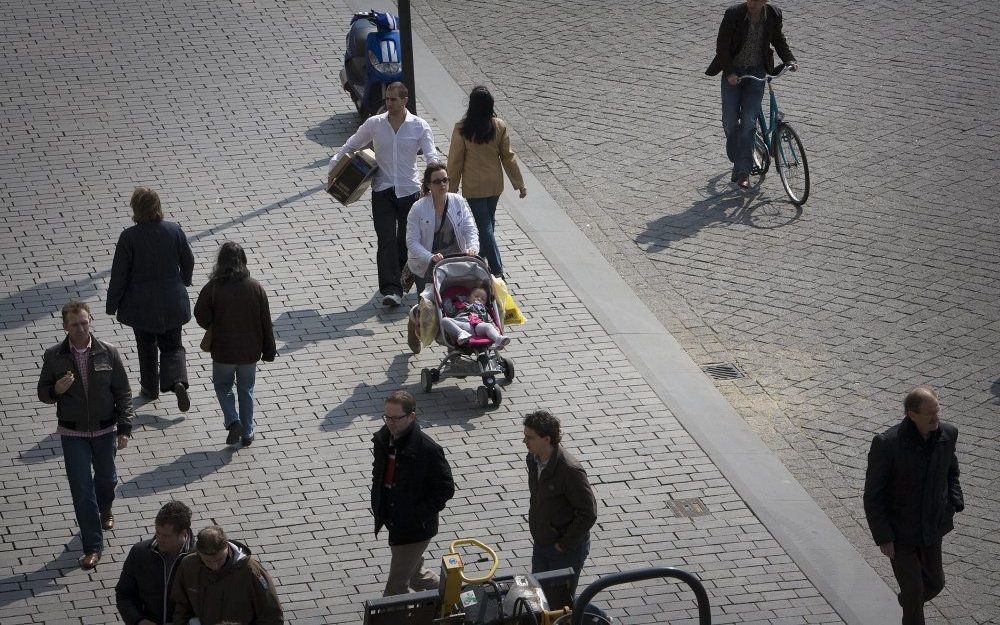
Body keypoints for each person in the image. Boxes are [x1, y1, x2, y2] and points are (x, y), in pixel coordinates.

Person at [36, 301, 133, 569]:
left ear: (90, 320)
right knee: (81, 489)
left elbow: (123, 392)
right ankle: (92, 546)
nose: (80, 328)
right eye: (74, 324)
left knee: (107, 480)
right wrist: (55, 390)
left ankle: (105, 508)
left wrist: (125, 427)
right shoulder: (54, 356)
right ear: (65, 327)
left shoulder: (108, 352)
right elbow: (43, 393)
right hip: (73, 433)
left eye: (84, 322)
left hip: (105, 430)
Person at [329, 81, 442, 308]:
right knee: (386, 238)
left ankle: (401, 279)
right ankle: (391, 289)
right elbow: (352, 145)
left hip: (410, 192)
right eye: (387, 99)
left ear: (404, 101)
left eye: (393, 99)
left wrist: (436, 182)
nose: (388, 103)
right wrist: (334, 166)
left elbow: (431, 157)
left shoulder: (419, 126)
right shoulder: (375, 124)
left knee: (405, 240)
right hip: (382, 190)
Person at [864, 386, 964, 625]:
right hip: (901, 533)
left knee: (935, 584)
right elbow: (873, 495)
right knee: (915, 591)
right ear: (912, 414)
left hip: (931, 527)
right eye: (929, 413)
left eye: (937, 410)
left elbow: (951, 471)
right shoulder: (887, 444)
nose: (936, 417)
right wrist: (884, 536)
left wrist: (953, 501)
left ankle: (909, 600)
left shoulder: (948, 434)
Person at [107, 187, 195, 411]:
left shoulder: (129, 237)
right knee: (173, 345)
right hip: (172, 302)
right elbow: (188, 260)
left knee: (145, 346)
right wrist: (184, 280)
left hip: (141, 306)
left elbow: (119, 274)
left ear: (135, 209)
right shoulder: (174, 230)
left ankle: (150, 388)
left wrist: (112, 304)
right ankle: (176, 383)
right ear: (158, 206)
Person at [706, 0, 797, 189]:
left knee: (748, 121)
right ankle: (741, 156)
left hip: (756, 71)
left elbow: (778, 39)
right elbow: (722, 47)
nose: (752, 3)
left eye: (757, 0)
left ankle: (743, 171)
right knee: (730, 121)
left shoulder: (773, 14)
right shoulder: (733, 14)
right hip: (734, 72)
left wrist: (789, 59)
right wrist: (730, 72)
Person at [371, 390, 455, 596]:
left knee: (395, 590)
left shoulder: (427, 449)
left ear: (411, 417)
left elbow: (445, 488)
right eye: (387, 417)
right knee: (416, 575)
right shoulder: (383, 440)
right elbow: (379, 475)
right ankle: (459, 594)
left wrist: (416, 515)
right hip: (394, 520)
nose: (390, 423)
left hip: (414, 529)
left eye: (396, 418)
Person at [194, 242, 276, 447]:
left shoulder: (213, 287)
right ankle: (248, 433)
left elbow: (199, 313)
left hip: (223, 351)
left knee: (223, 386)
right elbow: (266, 321)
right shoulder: (255, 287)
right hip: (249, 352)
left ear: (220, 263)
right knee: (246, 389)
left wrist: (213, 324)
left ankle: (233, 421)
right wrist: (269, 350)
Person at [447, 86, 526, 278]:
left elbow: (455, 160)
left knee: (484, 226)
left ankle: (496, 270)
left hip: (474, 186)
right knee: (488, 224)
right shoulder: (498, 126)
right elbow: (508, 157)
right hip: (494, 184)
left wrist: (451, 188)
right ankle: (480, 262)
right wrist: (519, 183)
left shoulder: (462, 128)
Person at [404, 163, 479, 354]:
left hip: (455, 261)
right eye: (437, 181)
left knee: (453, 305)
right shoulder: (418, 208)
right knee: (428, 307)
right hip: (428, 264)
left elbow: (470, 228)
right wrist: (430, 256)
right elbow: (412, 242)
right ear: (428, 185)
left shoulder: (458, 201)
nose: (442, 185)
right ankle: (414, 321)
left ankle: (454, 352)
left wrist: (472, 248)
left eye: (445, 180)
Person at [523, 410, 597, 597]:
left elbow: (588, 513)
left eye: (529, 437)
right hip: (542, 542)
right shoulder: (533, 459)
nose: (525, 442)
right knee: (538, 598)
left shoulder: (570, 470)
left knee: (560, 602)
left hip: (564, 550)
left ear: (546, 439)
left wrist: (563, 544)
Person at [170, 525, 283, 624]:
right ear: (199, 553)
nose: (215, 566)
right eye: (208, 561)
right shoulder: (189, 566)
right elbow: (181, 605)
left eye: (219, 559)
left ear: (227, 548)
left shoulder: (251, 571)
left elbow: (271, 615)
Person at [116, 500, 194, 625]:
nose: (159, 539)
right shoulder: (140, 553)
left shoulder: (200, 559)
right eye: (157, 532)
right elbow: (124, 594)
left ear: (183, 533)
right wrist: (139, 620)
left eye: (166, 535)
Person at [440, 287, 510, 349]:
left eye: (483, 299)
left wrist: (496, 328)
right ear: (468, 298)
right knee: (444, 320)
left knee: (488, 326)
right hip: (462, 325)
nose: (479, 299)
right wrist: (446, 298)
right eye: (476, 296)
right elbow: (449, 310)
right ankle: (461, 333)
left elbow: (490, 321)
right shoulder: (460, 305)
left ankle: (498, 339)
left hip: (478, 326)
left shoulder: (483, 310)